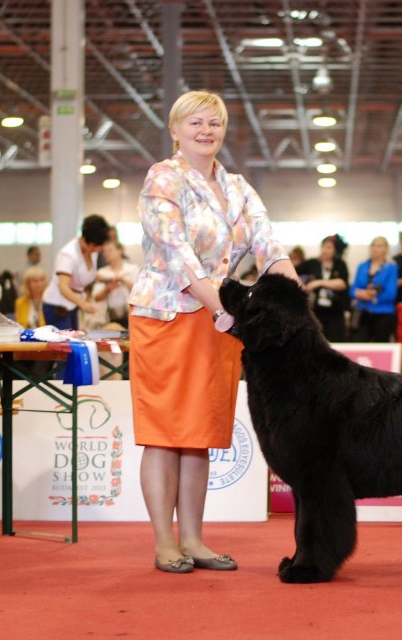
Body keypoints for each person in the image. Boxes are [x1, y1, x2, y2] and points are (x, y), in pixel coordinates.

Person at [128, 90, 298, 574]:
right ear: (175, 130)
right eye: (196, 123)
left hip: (219, 319)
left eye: (215, 123)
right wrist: (227, 309)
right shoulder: (163, 177)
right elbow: (175, 253)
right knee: (165, 433)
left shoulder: (239, 186)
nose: (206, 131)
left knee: (199, 434)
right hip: (168, 316)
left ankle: (195, 541)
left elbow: (268, 243)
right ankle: (165, 544)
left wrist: (295, 297)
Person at [42, 215, 110, 330]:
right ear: (91, 243)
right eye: (98, 246)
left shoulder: (92, 252)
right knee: (66, 344)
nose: (99, 250)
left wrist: (107, 280)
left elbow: (87, 275)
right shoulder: (68, 254)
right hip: (57, 305)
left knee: (74, 340)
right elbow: (63, 287)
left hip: (73, 304)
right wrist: (83, 304)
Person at [299, 235, 350, 342]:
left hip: (335, 311)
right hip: (316, 310)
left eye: (329, 247)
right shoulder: (312, 263)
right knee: (316, 340)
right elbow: (295, 273)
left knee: (337, 340)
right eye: (324, 247)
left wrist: (319, 283)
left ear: (335, 250)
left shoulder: (340, 264)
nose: (325, 250)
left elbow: (342, 283)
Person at [349, 236, 398, 342]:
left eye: (379, 246)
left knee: (381, 346)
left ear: (386, 249)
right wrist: (362, 294)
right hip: (362, 312)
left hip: (383, 314)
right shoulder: (362, 266)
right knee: (358, 343)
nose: (375, 248)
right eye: (373, 245)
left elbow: (391, 294)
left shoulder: (391, 267)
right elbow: (353, 289)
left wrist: (371, 297)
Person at [89, 240, 139, 329]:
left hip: (132, 315)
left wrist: (122, 280)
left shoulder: (133, 269)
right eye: (104, 251)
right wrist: (107, 289)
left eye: (110, 250)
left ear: (120, 250)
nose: (107, 254)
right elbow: (96, 297)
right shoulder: (102, 273)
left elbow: (140, 291)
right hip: (112, 317)